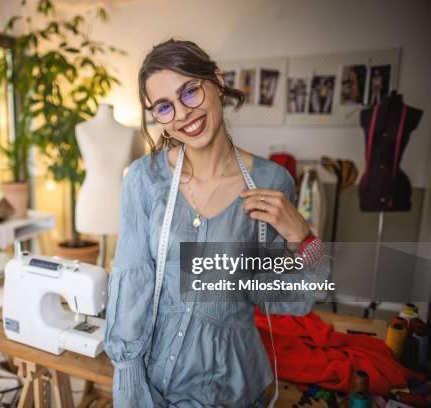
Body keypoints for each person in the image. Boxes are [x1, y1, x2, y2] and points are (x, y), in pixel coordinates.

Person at [104, 39, 329, 407]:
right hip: (153, 380)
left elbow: (292, 297)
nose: (182, 114)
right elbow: (132, 284)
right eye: (165, 107)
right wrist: (130, 387)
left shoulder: (272, 182)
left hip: (231, 386)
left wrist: (302, 238)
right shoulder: (144, 180)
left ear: (216, 81)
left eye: (189, 92)